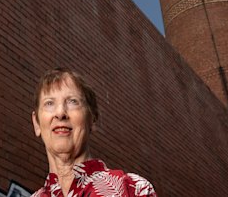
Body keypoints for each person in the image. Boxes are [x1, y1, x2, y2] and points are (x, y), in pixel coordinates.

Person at [30, 68, 157, 197]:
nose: (60, 113)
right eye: (49, 103)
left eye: (73, 101)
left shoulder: (134, 189)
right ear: (37, 123)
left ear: (93, 119)